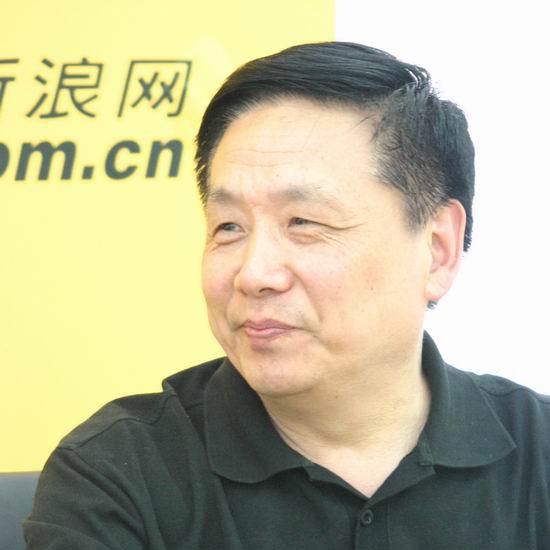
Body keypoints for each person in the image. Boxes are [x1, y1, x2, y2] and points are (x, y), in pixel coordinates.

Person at [24, 42, 550, 549]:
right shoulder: (117, 474)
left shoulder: (540, 453)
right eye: (229, 226)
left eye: (303, 222)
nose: (253, 274)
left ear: (436, 250)